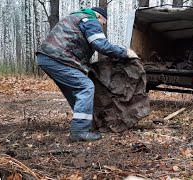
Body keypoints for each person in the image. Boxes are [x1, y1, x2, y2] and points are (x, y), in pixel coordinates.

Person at [36, 7, 139, 142]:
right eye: (103, 22)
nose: (103, 26)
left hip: (48, 58)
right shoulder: (90, 20)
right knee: (86, 87)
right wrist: (125, 52)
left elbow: (74, 45)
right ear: (98, 16)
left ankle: (88, 124)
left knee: (74, 91)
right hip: (58, 59)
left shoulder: (76, 18)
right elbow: (101, 45)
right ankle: (80, 131)